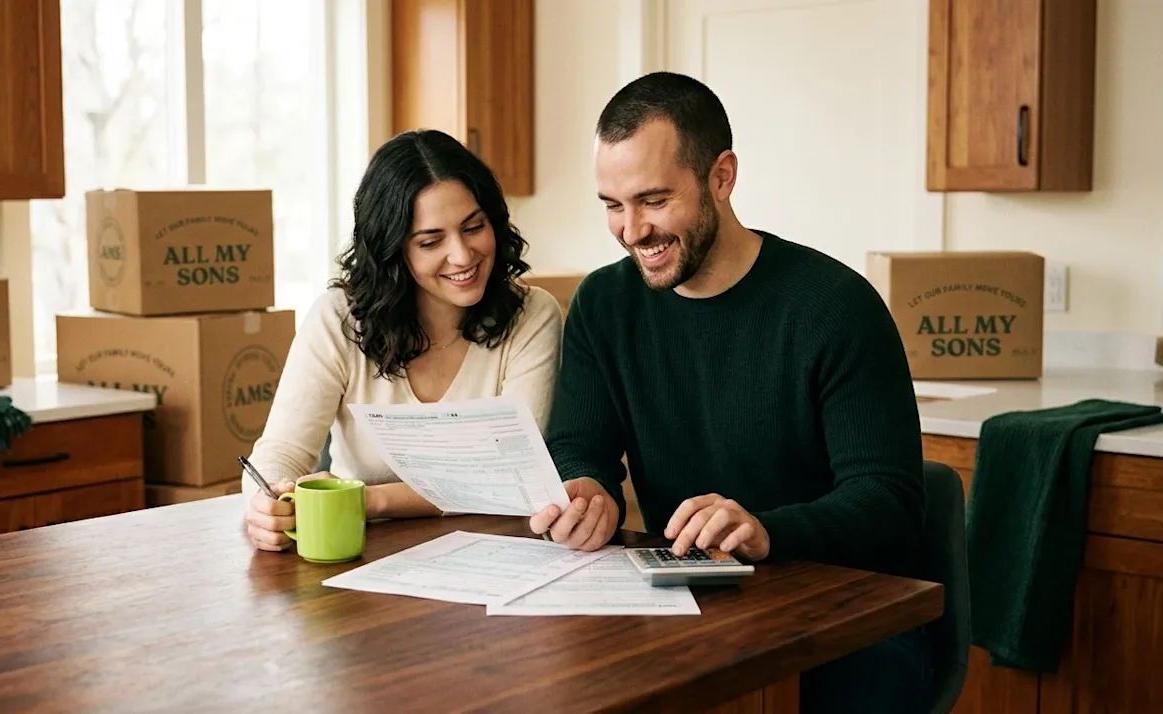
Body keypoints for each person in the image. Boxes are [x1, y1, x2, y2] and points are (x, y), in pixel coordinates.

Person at [526, 72, 931, 712]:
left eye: (654, 200)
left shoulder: (835, 307)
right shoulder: (604, 305)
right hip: (688, 610)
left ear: (721, 177)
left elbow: (892, 503)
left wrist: (767, 531)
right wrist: (586, 488)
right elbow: (580, 445)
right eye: (612, 204)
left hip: (845, 621)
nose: (632, 231)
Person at [244, 128, 563, 552]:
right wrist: (265, 505)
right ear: (393, 249)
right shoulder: (339, 318)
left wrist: (367, 499)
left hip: (498, 554)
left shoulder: (533, 315)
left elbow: (510, 476)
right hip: (360, 559)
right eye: (431, 241)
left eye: (474, 227)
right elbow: (281, 450)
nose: (463, 256)